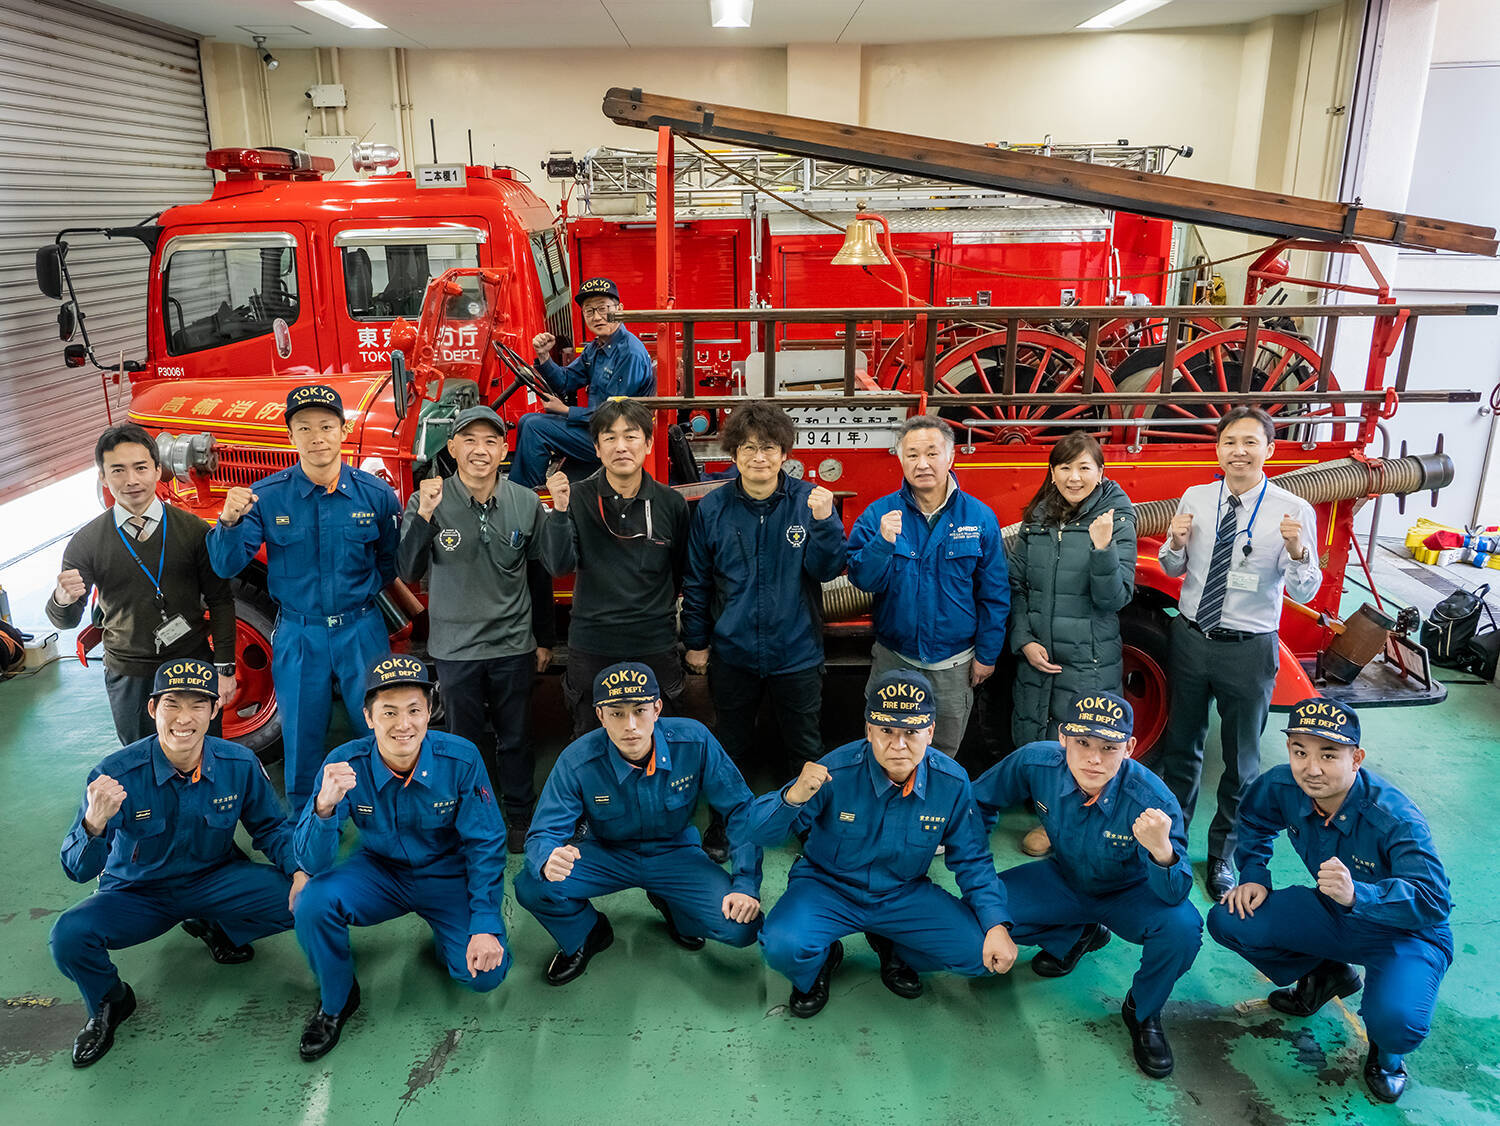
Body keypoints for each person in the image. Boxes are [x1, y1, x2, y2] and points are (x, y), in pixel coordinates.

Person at [50, 658, 305, 1068]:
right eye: (172, 704)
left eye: (198, 705)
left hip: (213, 880)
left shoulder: (238, 764)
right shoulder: (115, 774)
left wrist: (299, 872)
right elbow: (76, 870)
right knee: (69, 937)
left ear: (215, 710)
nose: (184, 718)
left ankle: (217, 926)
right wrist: (93, 822)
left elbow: (272, 829)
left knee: (308, 901)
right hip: (137, 893)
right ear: (153, 708)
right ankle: (110, 1000)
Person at [1208, 698, 1452, 1104]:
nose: (1312, 768)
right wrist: (1254, 874)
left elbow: (1433, 901)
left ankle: (1387, 1055)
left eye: (1328, 754)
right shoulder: (1284, 786)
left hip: (1407, 931)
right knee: (1230, 918)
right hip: (1337, 913)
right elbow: (1254, 818)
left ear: (1356, 759)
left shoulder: (1394, 818)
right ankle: (1325, 974)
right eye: (1299, 751)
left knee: (1398, 1021)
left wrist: (1360, 894)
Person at [745, 670, 1017, 1018]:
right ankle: (821, 959)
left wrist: (995, 924)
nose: (898, 744)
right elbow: (759, 834)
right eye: (886, 730)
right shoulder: (836, 771)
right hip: (827, 887)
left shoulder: (951, 782)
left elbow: (973, 859)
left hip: (902, 893)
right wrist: (792, 797)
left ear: (930, 731)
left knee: (982, 956)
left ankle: (894, 947)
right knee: (782, 946)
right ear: (868, 730)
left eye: (911, 732)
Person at [973, 691, 1201, 1079]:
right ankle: (1078, 934)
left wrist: (1162, 851)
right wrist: (977, 866)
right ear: (1063, 737)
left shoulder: (1152, 799)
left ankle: (1142, 1010)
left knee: (1182, 929)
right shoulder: (1036, 762)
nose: (1094, 758)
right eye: (1082, 742)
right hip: (1063, 879)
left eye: (1109, 747)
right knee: (980, 917)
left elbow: (1175, 893)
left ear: (1129, 747)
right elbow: (976, 802)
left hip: (1129, 893)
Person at [291, 654, 509, 1061]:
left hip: (447, 874)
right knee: (312, 902)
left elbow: (485, 843)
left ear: (430, 712)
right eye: (389, 712)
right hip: (379, 871)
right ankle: (337, 999)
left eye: (414, 710)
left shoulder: (461, 759)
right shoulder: (344, 764)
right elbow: (312, 862)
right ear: (368, 717)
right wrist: (324, 806)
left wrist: (484, 923)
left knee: (485, 976)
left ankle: (450, 939)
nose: (403, 724)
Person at [208, 384, 400, 818]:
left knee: (379, 727)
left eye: (327, 427)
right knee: (300, 736)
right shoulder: (265, 497)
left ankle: (384, 816)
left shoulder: (376, 495)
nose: (317, 438)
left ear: (343, 431)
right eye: (305, 428)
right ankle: (304, 822)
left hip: (361, 630)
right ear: (290, 435)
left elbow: (389, 563)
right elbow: (225, 564)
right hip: (299, 633)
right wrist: (228, 520)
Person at [1156, 406, 1321, 899]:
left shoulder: (1292, 512)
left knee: (1241, 761)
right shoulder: (1197, 497)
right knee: (1181, 749)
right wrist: (1176, 543)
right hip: (1191, 638)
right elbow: (1172, 568)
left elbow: (1306, 590)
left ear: (1269, 449)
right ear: (1218, 449)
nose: (1239, 451)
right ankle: (1172, 844)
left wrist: (1297, 552)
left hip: (1248, 649)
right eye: (1230, 442)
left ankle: (1223, 855)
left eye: (1250, 442)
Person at [515, 662, 763, 985]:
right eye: (617, 713)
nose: (630, 725)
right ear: (601, 715)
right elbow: (544, 831)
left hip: (674, 853)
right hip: (607, 854)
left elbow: (742, 810)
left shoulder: (694, 741)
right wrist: (547, 857)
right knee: (533, 885)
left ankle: (676, 908)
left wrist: (745, 884)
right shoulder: (577, 760)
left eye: (640, 711)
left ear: (657, 709)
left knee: (743, 927)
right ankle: (587, 933)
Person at [397, 405, 575, 852]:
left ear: (504, 450)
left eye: (491, 441)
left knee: (517, 737)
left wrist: (544, 639)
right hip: (454, 649)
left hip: (512, 645)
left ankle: (520, 816)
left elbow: (540, 575)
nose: (480, 450)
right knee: (463, 742)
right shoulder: (428, 499)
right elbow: (408, 570)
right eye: (470, 440)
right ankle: (468, 818)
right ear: (452, 448)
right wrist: (424, 516)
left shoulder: (525, 502)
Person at [681, 402, 846, 862]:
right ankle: (724, 824)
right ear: (734, 453)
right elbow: (697, 581)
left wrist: (826, 522)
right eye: (749, 447)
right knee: (730, 745)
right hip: (732, 653)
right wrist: (697, 642)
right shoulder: (712, 508)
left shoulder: (808, 501)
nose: (759, 457)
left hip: (796, 651)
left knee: (805, 746)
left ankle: (811, 827)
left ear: (784, 454)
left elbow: (828, 569)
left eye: (769, 448)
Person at [46, 425, 236, 744]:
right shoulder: (86, 543)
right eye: (118, 470)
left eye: (141, 468)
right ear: (103, 477)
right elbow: (65, 621)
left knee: (201, 752)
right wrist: (61, 600)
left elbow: (220, 599)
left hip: (190, 663)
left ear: (158, 470)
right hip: (129, 671)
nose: (131, 480)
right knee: (139, 758)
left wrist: (225, 668)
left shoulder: (193, 530)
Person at [847, 415, 1009, 756]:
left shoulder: (979, 517)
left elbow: (994, 594)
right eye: (912, 455)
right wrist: (882, 543)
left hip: (954, 663)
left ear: (950, 457)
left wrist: (987, 654)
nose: (922, 464)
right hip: (894, 658)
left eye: (932, 453)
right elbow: (862, 580)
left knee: (943, 751)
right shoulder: (879, 514)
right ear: (901, 460)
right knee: (884, 749)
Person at [1007, 434, 1137, 857]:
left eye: (1084, 467)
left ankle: (1068, 828)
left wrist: (1102, 549)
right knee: (1039, 731)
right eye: (1064, 467)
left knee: (1085, 742)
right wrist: (1024, 640)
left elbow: (1115, 598)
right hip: (1040, 654)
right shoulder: (1038, 517)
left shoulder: (1116, 518)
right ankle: (1050, 813)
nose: (1074, 477)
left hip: (1087, 658)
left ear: (1101, 471)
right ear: (1052, 472)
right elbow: (1017, 584)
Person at [557, 398, 689, 738]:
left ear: (648, 444)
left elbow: (680, 573)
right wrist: (557, 512)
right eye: (609, 438)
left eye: (630, 436)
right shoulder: (577, 499)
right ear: (597, 448)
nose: (621, 447)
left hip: (654, 642)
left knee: (663, 737)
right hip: (592, 643)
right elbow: (559, 565)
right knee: (591, 738)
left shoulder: (672, 504)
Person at [512, 276, 655, 487]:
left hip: (617, 437)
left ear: (620, 309)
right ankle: (523, 490)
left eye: (603, 309)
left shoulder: (629, 353)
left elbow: (614, 414)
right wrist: (544, 356)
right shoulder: (596, 347)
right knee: (526, 420)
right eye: (589, 311)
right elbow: (565, 380)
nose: (597, 317)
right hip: (598, 428)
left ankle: (525, 494)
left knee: (535, 427)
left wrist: (565, 411)